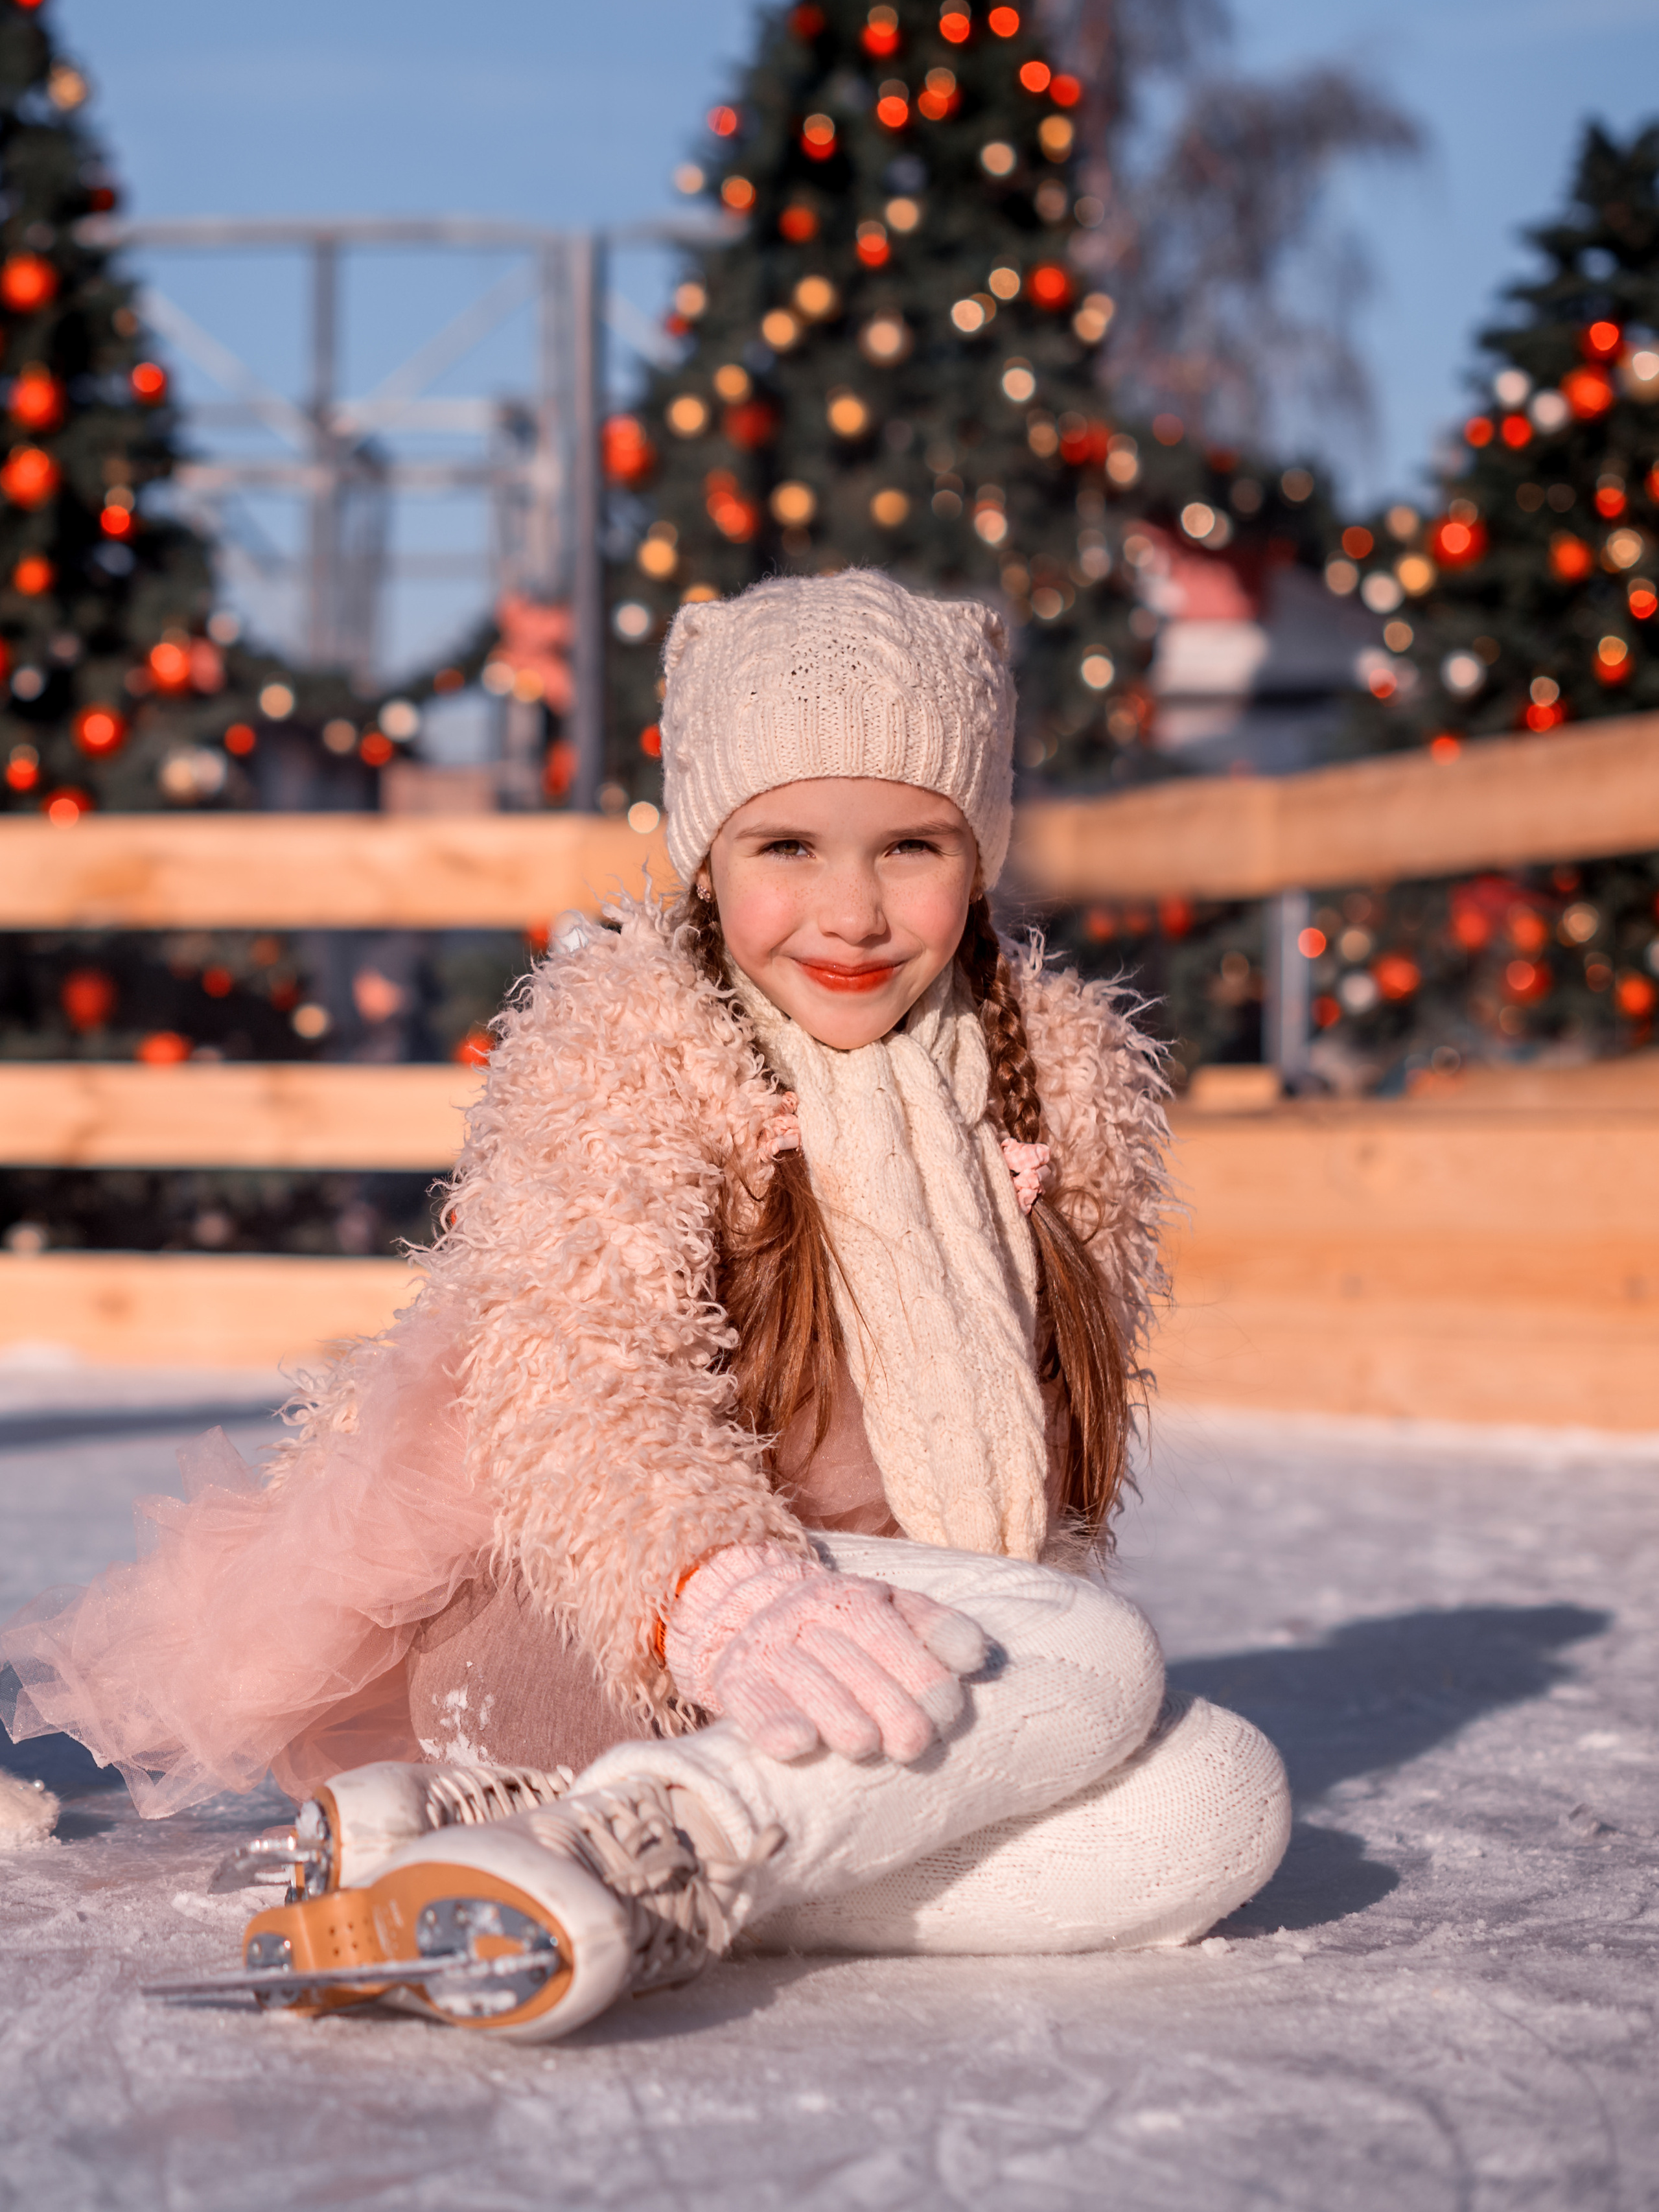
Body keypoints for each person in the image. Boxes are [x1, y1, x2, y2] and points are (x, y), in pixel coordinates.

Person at [3, 571, 1289, 2040]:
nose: (852, 911)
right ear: (704, 853)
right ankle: (660, 1828)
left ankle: (533, 1856)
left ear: (978, 850)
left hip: (854, 1645)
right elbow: (584, 1380)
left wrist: (1001, 1707)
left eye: (912, 845)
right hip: (602, 1618)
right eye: (787, 843)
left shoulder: (1054, 1081)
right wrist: (728, 1602)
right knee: (1099, 1658)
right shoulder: (630, 1045)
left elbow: (1051, 1456)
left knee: (1214, 1804)